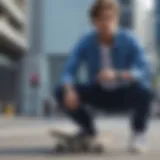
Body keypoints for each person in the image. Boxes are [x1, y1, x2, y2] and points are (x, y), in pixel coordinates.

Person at [54, 0, 153, 153]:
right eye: (102, 19)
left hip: (124, 93)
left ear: (117, 19)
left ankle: (138, 133)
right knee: (60, 91)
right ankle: (89, 130)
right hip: (99, 92)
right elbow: (68, 70)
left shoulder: (130, 40)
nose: (107, 23)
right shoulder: (86, 41)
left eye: (111, 18)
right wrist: (69, 90)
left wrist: (118, 74)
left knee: (146, 91)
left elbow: (143, 69)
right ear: (94, 22)